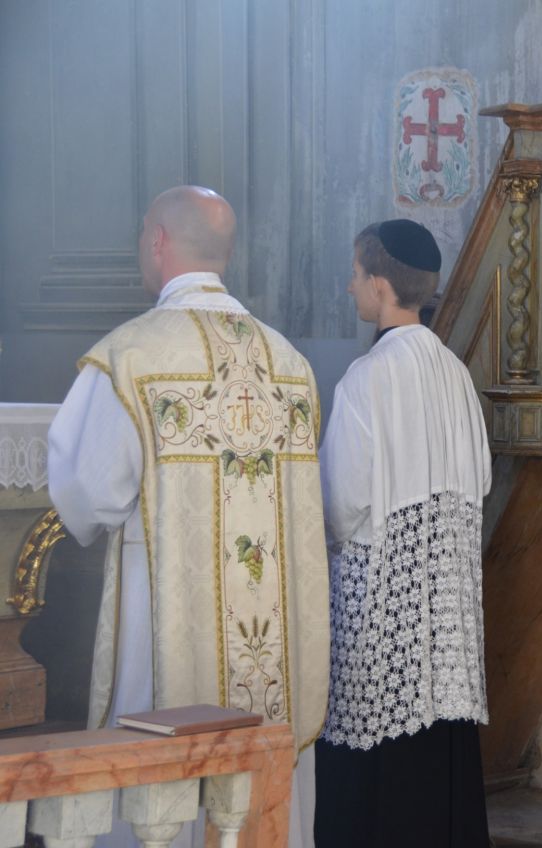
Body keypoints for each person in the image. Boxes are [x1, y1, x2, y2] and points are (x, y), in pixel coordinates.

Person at [47, 185, 330, 847]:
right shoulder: (290, 364)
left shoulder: (132, 357)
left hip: (164, 617)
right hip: (275, 635)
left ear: (157, 242)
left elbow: (87, 492)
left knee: (158, 785)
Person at [315, 219, 492, 847]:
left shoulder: (367, 377)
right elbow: (479, 483)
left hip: (380, 621)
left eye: (356, 274)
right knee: (439, 783)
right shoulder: (456, 374)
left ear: (381, 285)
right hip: (445, 627)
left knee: (373, 794)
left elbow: (339, 506)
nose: (350, 285)